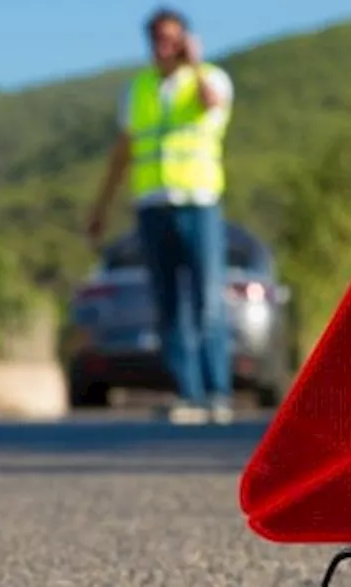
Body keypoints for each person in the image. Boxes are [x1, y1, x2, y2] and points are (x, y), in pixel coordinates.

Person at [85, 7, 236, 424]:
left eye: (171, 38)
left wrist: (196, 63)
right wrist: (100, 207)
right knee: (169, 306)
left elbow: (212, 104)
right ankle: (188, 393)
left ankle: (217, 394)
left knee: (207, 300)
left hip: (198, 202)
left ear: (186, 39)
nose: (163, 46)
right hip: (152, 206)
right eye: (156, 39)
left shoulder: (210, 78)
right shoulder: (139, 90)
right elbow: (123, 152)